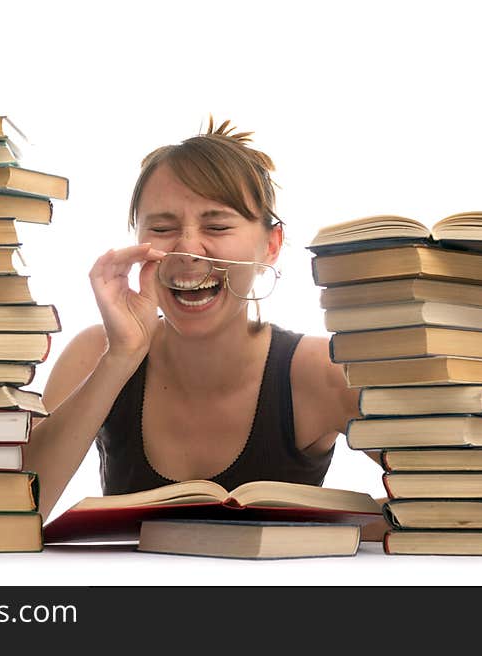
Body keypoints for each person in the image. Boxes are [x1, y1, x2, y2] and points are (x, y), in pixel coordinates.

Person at [23, 118, 388, 541]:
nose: (187, 250)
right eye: (161, 229)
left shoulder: (322, 369)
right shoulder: (96, 353)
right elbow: (9, 514)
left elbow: (452, 502)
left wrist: (325, 529)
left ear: (270, 245)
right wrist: (119, 358)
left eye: (216, 227)